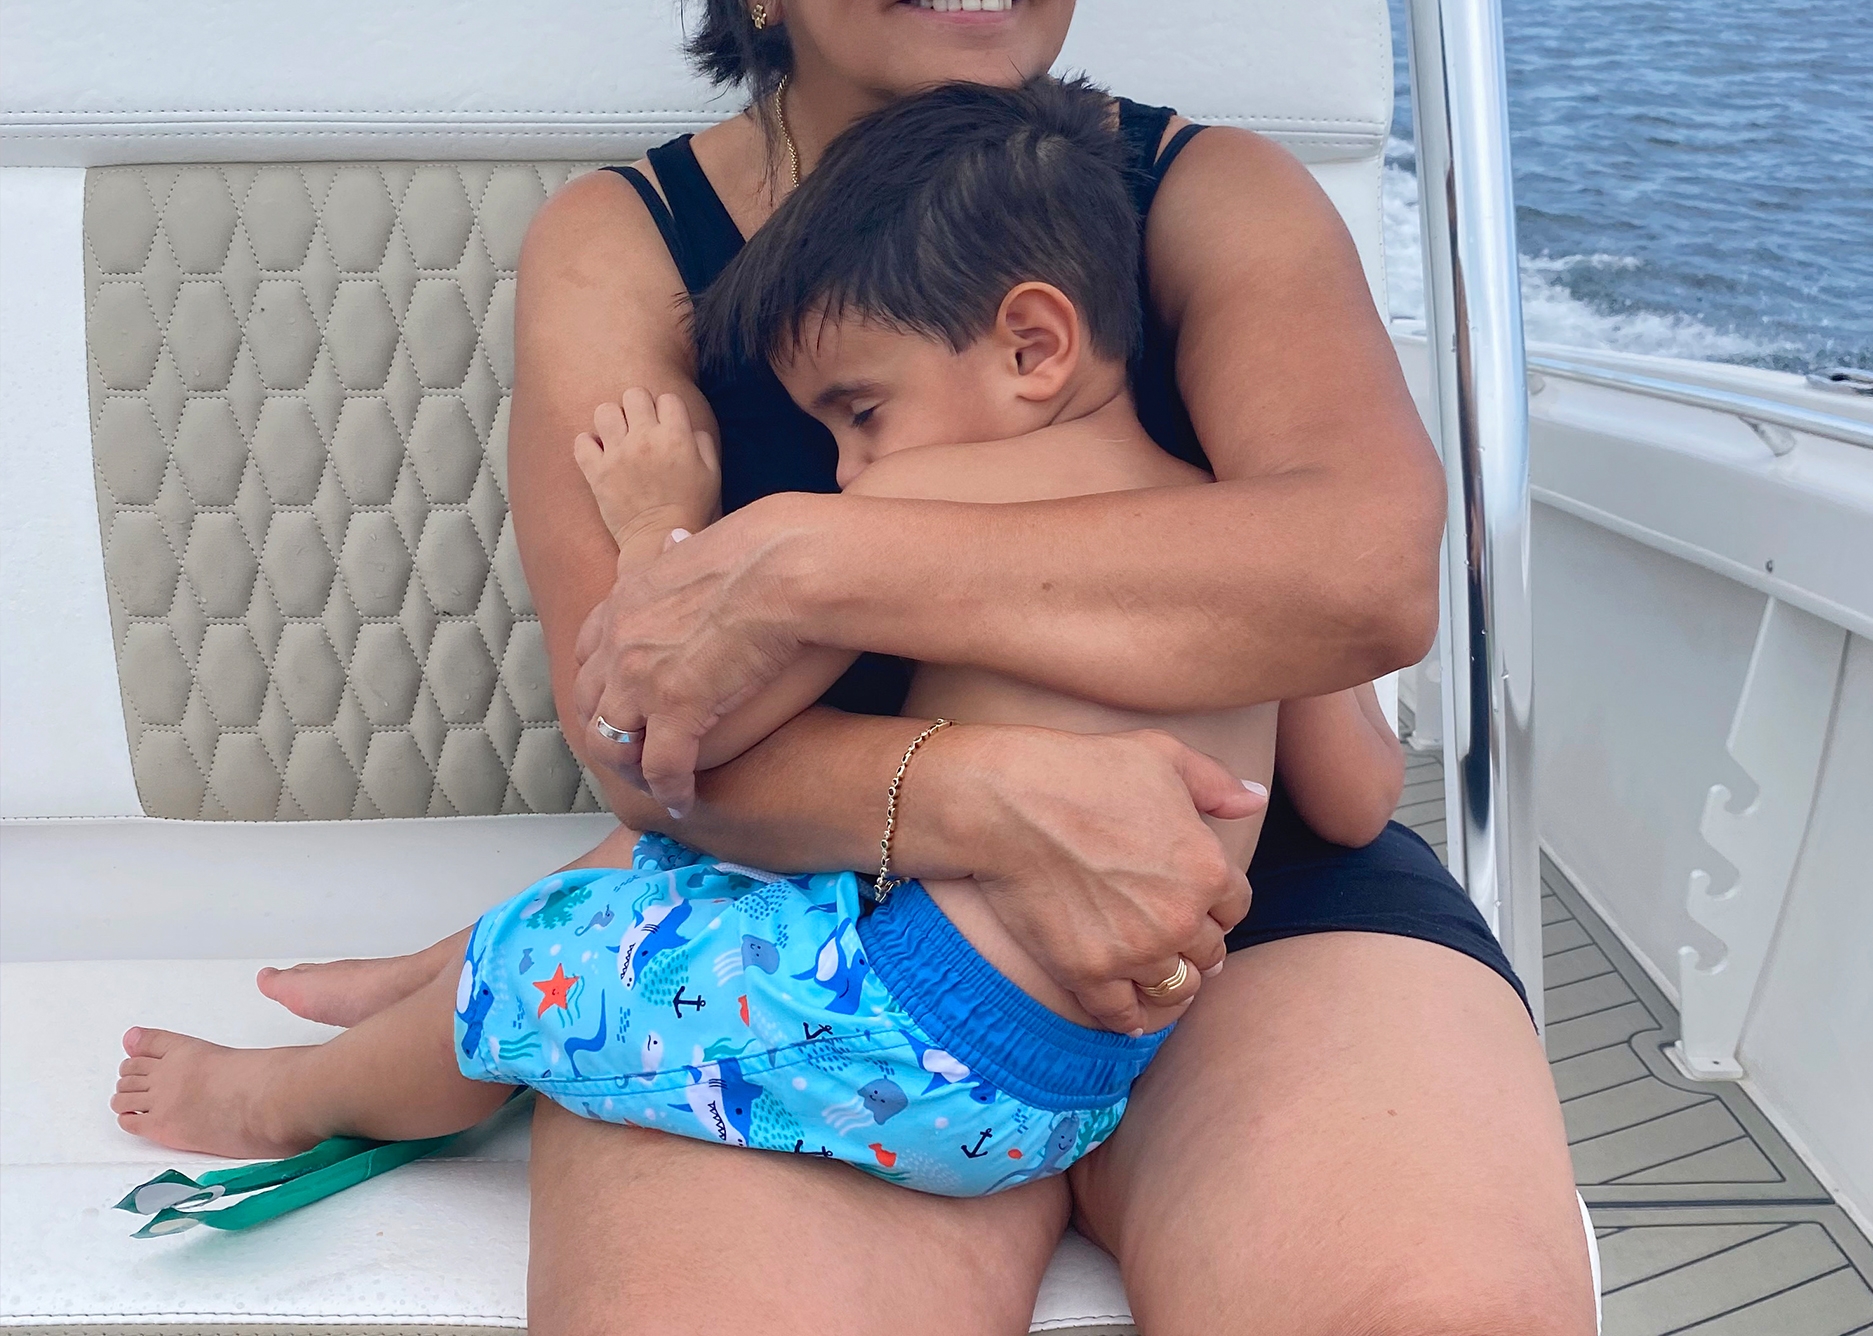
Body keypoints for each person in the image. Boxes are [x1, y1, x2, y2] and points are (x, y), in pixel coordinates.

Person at [258, 0, 1594, 1332]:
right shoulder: (630, 243)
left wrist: (807, 557)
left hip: (1252, 913)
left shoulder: (1204, 197)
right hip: (811, 918)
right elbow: (642, 747)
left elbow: (1362, 572)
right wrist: (994, 804)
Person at [114, 80, 1406, 1192]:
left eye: (860, 410)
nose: (848, 472)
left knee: (534, 971)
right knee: (668, 881)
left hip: (904, 1037)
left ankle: (291, 1098)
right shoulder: (1235, 558)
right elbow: (1356, 801)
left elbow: (683, 745)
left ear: (1031, 345)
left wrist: (664, 534)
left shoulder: (911, 504)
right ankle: (412, 980)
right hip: (1093, 1071)